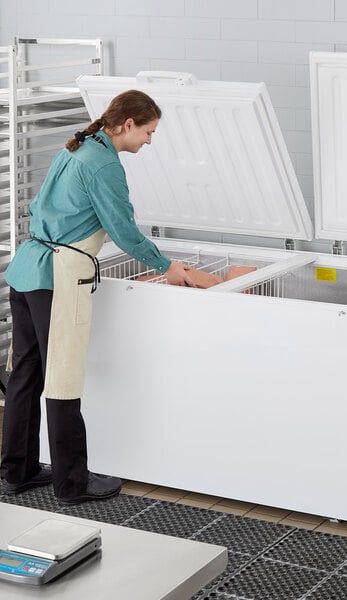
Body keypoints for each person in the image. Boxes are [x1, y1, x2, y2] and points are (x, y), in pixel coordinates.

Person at [0, 89, 222, 504]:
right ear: (127, 125)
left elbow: (40, 206)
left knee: (25, 376)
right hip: (57, 279)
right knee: (63, 380)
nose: (150, 141)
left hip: (27, 268)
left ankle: (18, 470)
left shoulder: (78, 147)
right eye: (149, 132)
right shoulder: (104, 164)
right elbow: (123, 230)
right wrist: (166, 267)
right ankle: (72, 484)